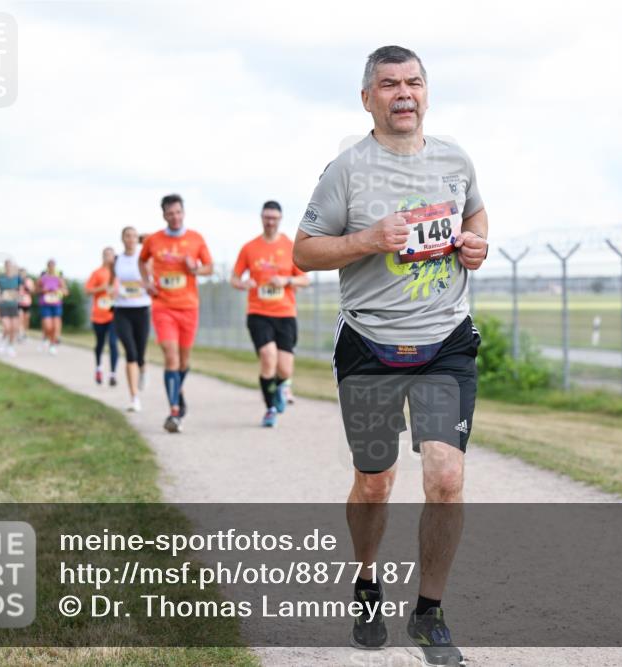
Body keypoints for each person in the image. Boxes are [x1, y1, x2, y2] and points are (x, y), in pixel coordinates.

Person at [293, 45, 488, 666]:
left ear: (426, 92)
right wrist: (368, 240)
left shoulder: (455, 157)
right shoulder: (347, 169)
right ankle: (366, 580)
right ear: (367, 98)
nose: (402, 93)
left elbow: (475, 210)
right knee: (375, 484)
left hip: (446, 343)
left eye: (412, 83)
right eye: (388, 84)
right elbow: (304, 251)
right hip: (372, 346)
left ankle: (429, 611)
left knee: (446, 477)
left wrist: (479, 242)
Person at [231, 200, 311, 427]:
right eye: (267, 217)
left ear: (280, 219)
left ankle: (278, 389)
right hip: (258, 312)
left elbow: (304, 279)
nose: (270, 222)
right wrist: (242, 283)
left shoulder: (290, 246)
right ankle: (270, 408)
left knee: (285, 368)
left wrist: (286, 280)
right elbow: (234, 278)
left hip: (285, 313)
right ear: (261, 218)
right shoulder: (249, 248)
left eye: (274, 218)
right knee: (268, 357)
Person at [139, 194, 213, 433]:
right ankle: (173, 410)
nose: (175, 217)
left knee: (183, 360)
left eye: (178, 212)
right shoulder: (153, 240)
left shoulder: (195, 239)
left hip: (189, 307)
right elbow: (142, 262)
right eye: (170, 213)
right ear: (163, 215)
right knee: (170, 356)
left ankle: (177, 396)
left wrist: (196, 269)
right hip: (163, 306)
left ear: (183, 212)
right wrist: (147, 282)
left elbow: (209, 267)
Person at [114, 226, 152, 412]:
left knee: (140, 353)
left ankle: (143, 369)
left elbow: (157, 244)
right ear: (122, 239)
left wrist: (144, 285)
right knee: (130, 352)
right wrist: (114, 289)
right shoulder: (117, 260)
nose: (130, 239)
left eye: (134, 236)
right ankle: (134, 397)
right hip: (122, 310)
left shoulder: (144, 259)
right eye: (127, 236)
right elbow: (109, 281)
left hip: (141, 309)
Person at [86, 247, 120, 386]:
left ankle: (113, 374)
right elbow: (87, 290)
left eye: (111, 255)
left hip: (114, 314)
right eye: (106, 255)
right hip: (99, 315)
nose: (109, 258)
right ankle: (98, 368)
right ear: (102, 257)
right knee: (100, 343)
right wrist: (102, 288)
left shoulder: (119, 274)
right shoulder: (97, 273)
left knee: (113, 343)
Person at [37, 259, 67, 355]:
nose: (52, 267)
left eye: (53, 265)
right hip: (45, 304)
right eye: (50, 265)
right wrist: (43, 290)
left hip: (56, 304)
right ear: (47, 266)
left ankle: (53, 344)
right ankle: (47, 338)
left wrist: (58, 291)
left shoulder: (59, 278)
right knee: (48, 326)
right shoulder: (43, 278)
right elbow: (35, 289)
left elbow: (65, 291)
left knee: (55, 326)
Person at [0, 259, 21, 357]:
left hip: (14, 306)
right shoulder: (1, 278)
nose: (9, 267)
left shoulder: (17, 278)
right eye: (7, 265)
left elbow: (22, 289)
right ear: (5, 266)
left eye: (10, 265)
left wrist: (19, 295)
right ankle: (3, 341)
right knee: (7, 327)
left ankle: (10, 346)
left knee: (14, 328)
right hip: (4, 306)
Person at [17, 267, 34, 342]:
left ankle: (25, 333)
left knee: (26, 319)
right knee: (20, 318)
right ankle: (20, 333)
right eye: (21, 273)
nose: (22, 274)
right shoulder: (16, 281)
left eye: (23, 273)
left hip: (27, 303)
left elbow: (32, 291)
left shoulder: (29, 281)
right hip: (19, 302)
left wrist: (27, 286)